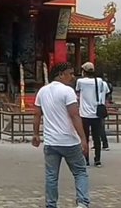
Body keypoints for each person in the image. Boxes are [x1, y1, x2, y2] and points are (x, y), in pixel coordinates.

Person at [33, 62, 90, 208]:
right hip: (69, 141)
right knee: (80, 172)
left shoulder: (42, 91)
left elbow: (37, 115)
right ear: (60, 74)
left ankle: (51, 205)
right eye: (70, 73)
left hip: (51, 142)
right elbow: (75, 115)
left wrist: (36, 134)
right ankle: (83, 202)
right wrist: (83, 138)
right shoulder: (67, 91)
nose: (72, 77)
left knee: (51, 176)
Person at [75, 61, 110, 167]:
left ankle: (85, 159)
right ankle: (97, 160)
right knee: (97, 138)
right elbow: (106, 92)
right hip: (96, 114)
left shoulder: (80, 81)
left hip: (84, 114)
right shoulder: (99, 81)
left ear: (84, 71)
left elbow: (77, 92)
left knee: (84, 138)